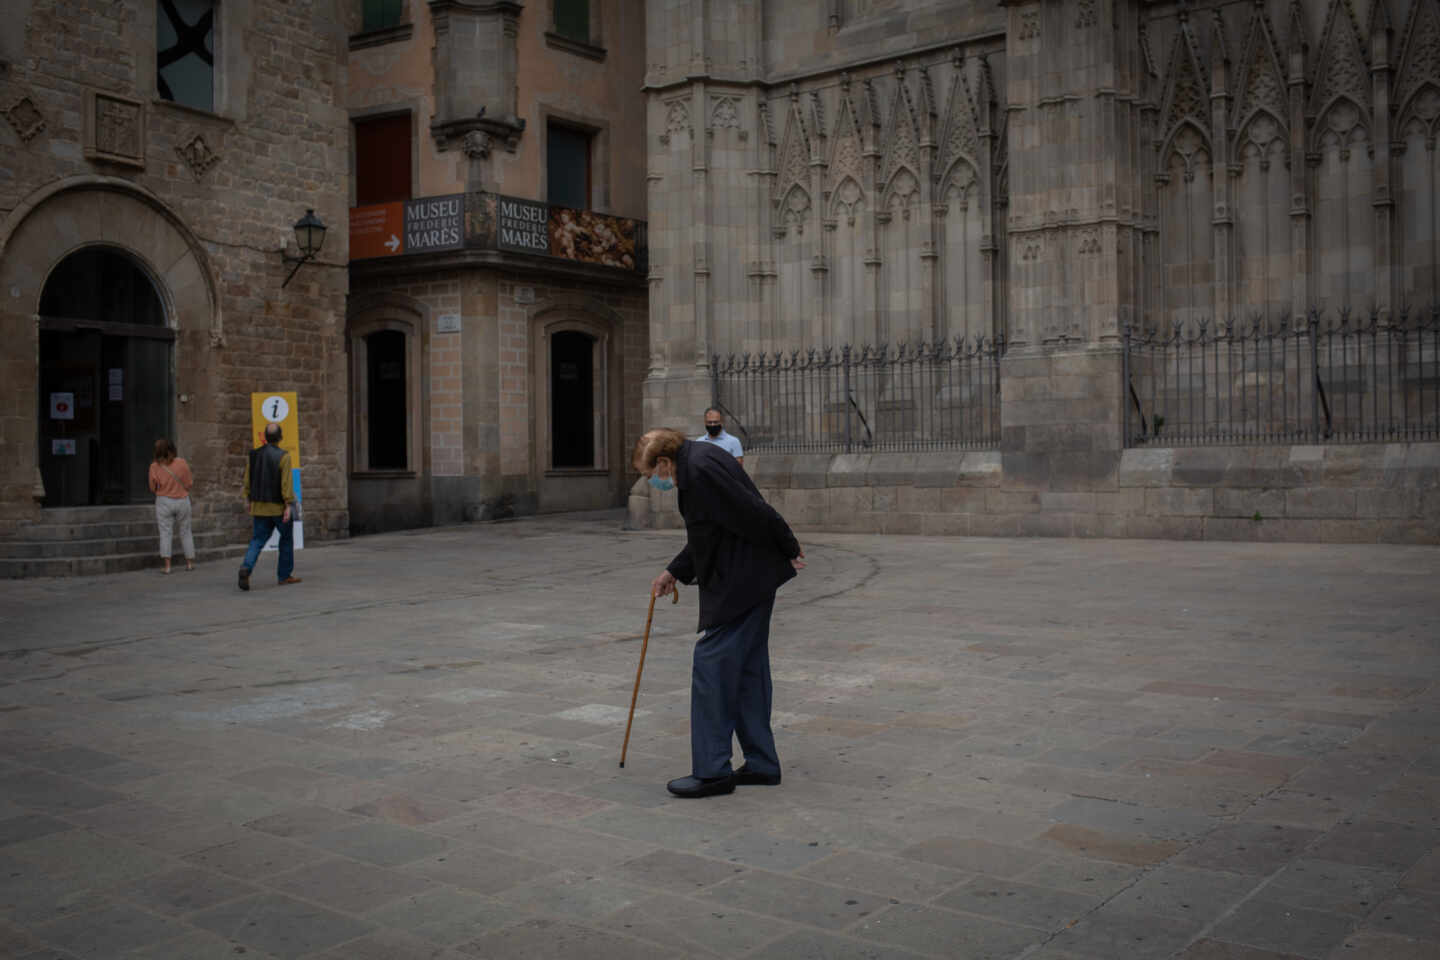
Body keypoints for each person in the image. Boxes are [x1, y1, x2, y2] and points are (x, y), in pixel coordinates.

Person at [635, 427, 804, 798]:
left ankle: (713, 772)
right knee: (747, 670)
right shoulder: (699, 459)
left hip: (743, 579)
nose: (654, 482)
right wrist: (674, 571)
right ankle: (761, 763)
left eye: (651, 475)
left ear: (664, 462)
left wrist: (789, 545)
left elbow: (753, 510)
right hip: (749, 575)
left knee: (712, 664)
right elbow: (707, 533)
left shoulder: (699, 471)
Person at [239, 422, 300, 590]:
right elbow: (286, 484)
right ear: (280, 438)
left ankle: (246, 567)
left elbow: (247, 480)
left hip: (259, 505)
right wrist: (288, 505)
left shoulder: (254, 456)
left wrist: (248, 500)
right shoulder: (284, 456)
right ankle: (284, 575)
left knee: (257, 540)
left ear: (265, 437)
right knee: (286, 539)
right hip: (278, 507)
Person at [148, 437, 195, 574]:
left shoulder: (154, 466)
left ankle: (168, 566)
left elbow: (152, 488)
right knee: (186, 531)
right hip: (182, 500)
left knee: (165, 533)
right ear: (172, 449)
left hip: (164, 501)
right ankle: (190, 563)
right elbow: (189, 483)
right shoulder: (181, 463)